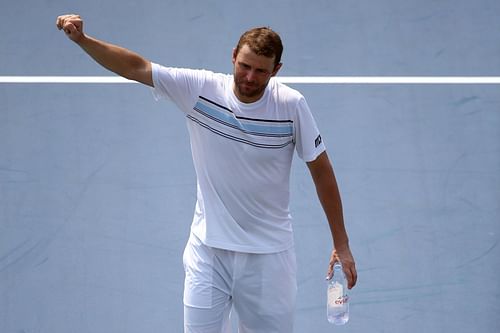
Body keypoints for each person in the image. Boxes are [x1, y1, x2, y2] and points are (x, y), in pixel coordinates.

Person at [56, 14, 357, 333]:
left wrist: (341, 242)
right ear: (233, 56)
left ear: (276, 70)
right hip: (209, 253)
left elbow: (321, 170)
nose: (250, 77)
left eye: (260, 71)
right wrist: (83, 41)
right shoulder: (201, 89)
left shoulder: (291, 106)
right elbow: (136, 67)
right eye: (244, 65)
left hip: (269, 259)